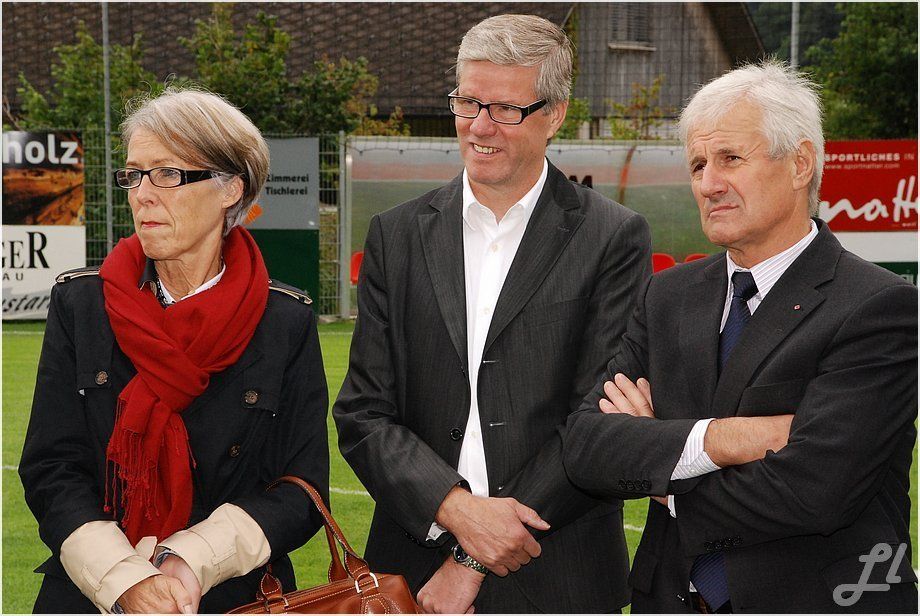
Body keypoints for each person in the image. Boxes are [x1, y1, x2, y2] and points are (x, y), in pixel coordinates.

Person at [563, 61, 918, 613]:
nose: (708, 183)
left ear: (800, 164)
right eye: (698, 164)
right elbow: (587, 448)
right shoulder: (668, 296)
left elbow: (814, 492)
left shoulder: (878, 306)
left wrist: (660, 464)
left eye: (730, 158)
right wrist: (722, 441)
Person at [333, 13, 650, 614]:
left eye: (506, 108)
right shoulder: (396, 235)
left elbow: (597, 421)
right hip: (412, 575)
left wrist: (470, 561)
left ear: (555, 114)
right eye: (468, 102)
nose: (480, 126)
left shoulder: (612, 237)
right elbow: (362, 412)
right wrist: (454, 509)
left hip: (560, 579)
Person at [19, 88, 330, 614]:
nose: (142, 194)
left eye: (167, 174)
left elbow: (300, 489)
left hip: (235, 595)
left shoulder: (285, 321)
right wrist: (124, 579)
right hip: (93, 594)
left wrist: (190, 560)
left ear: (231, 188)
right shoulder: (82, 304)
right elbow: (52, 467)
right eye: (134, 174)